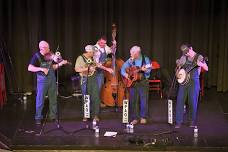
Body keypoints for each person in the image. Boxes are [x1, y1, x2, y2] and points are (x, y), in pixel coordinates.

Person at [28, 41, 68, 125]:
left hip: (52, 79)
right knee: (40, 99)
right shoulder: (36, 56)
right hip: (42, 80)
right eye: (47, 48)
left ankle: (53, 116)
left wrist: (60, 62)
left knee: (53, 98)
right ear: (42, 48)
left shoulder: (50, 55)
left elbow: (53, 66)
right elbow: (30, 68)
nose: (49, 49)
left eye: (49, 48)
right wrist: (41, 69)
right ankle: (38, 117)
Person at [175, 44, 208, 128]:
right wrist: (177, 73)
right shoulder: (184, 57)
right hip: (183, 83)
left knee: (192, 102)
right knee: (180, 101)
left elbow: (206, 68)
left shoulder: (199, 56)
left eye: (187, 52)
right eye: (185, 53)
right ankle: (178, 122)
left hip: (194, 82)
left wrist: (201, 64)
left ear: (191, 49)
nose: (186, 54)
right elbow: (178, 66)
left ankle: (191, 121)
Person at [121, 46, 152, 125]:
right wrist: (126, 75)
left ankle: (143, 117)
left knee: (143, 100)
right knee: (133, 100)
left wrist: (146, 70)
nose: (131, 55)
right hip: (133, 83)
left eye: (132, 54)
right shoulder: (130, 60)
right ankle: (135, 118)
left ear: (137, 53)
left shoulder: (146, 59)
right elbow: (122, 69)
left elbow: (148, 71)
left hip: (143, 82)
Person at [75, 45, 103, 122]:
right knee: (86, 97)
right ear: (89, 51)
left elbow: (94, 66)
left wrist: (98, 65)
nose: (94, 53)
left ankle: (95, 115)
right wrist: (87, 69)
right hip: (85, 79)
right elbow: (76, 69)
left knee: (96, 97)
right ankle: (86, 115)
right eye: (93, 52)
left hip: (93, 79)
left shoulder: (92, 58)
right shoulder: (80, 58)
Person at [93, 36, 115, 107]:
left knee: (100, 87)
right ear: (98, 41)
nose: (103, 44)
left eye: (104, 43)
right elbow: (97, 64)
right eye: (101, 43)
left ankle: (97, 102)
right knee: (95, 88)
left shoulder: (105, 46)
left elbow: (112, 51)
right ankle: (94, 104)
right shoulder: (95, 48)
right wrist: (107, 69)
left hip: (101, 70)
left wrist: (114, 45)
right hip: (94, 71)